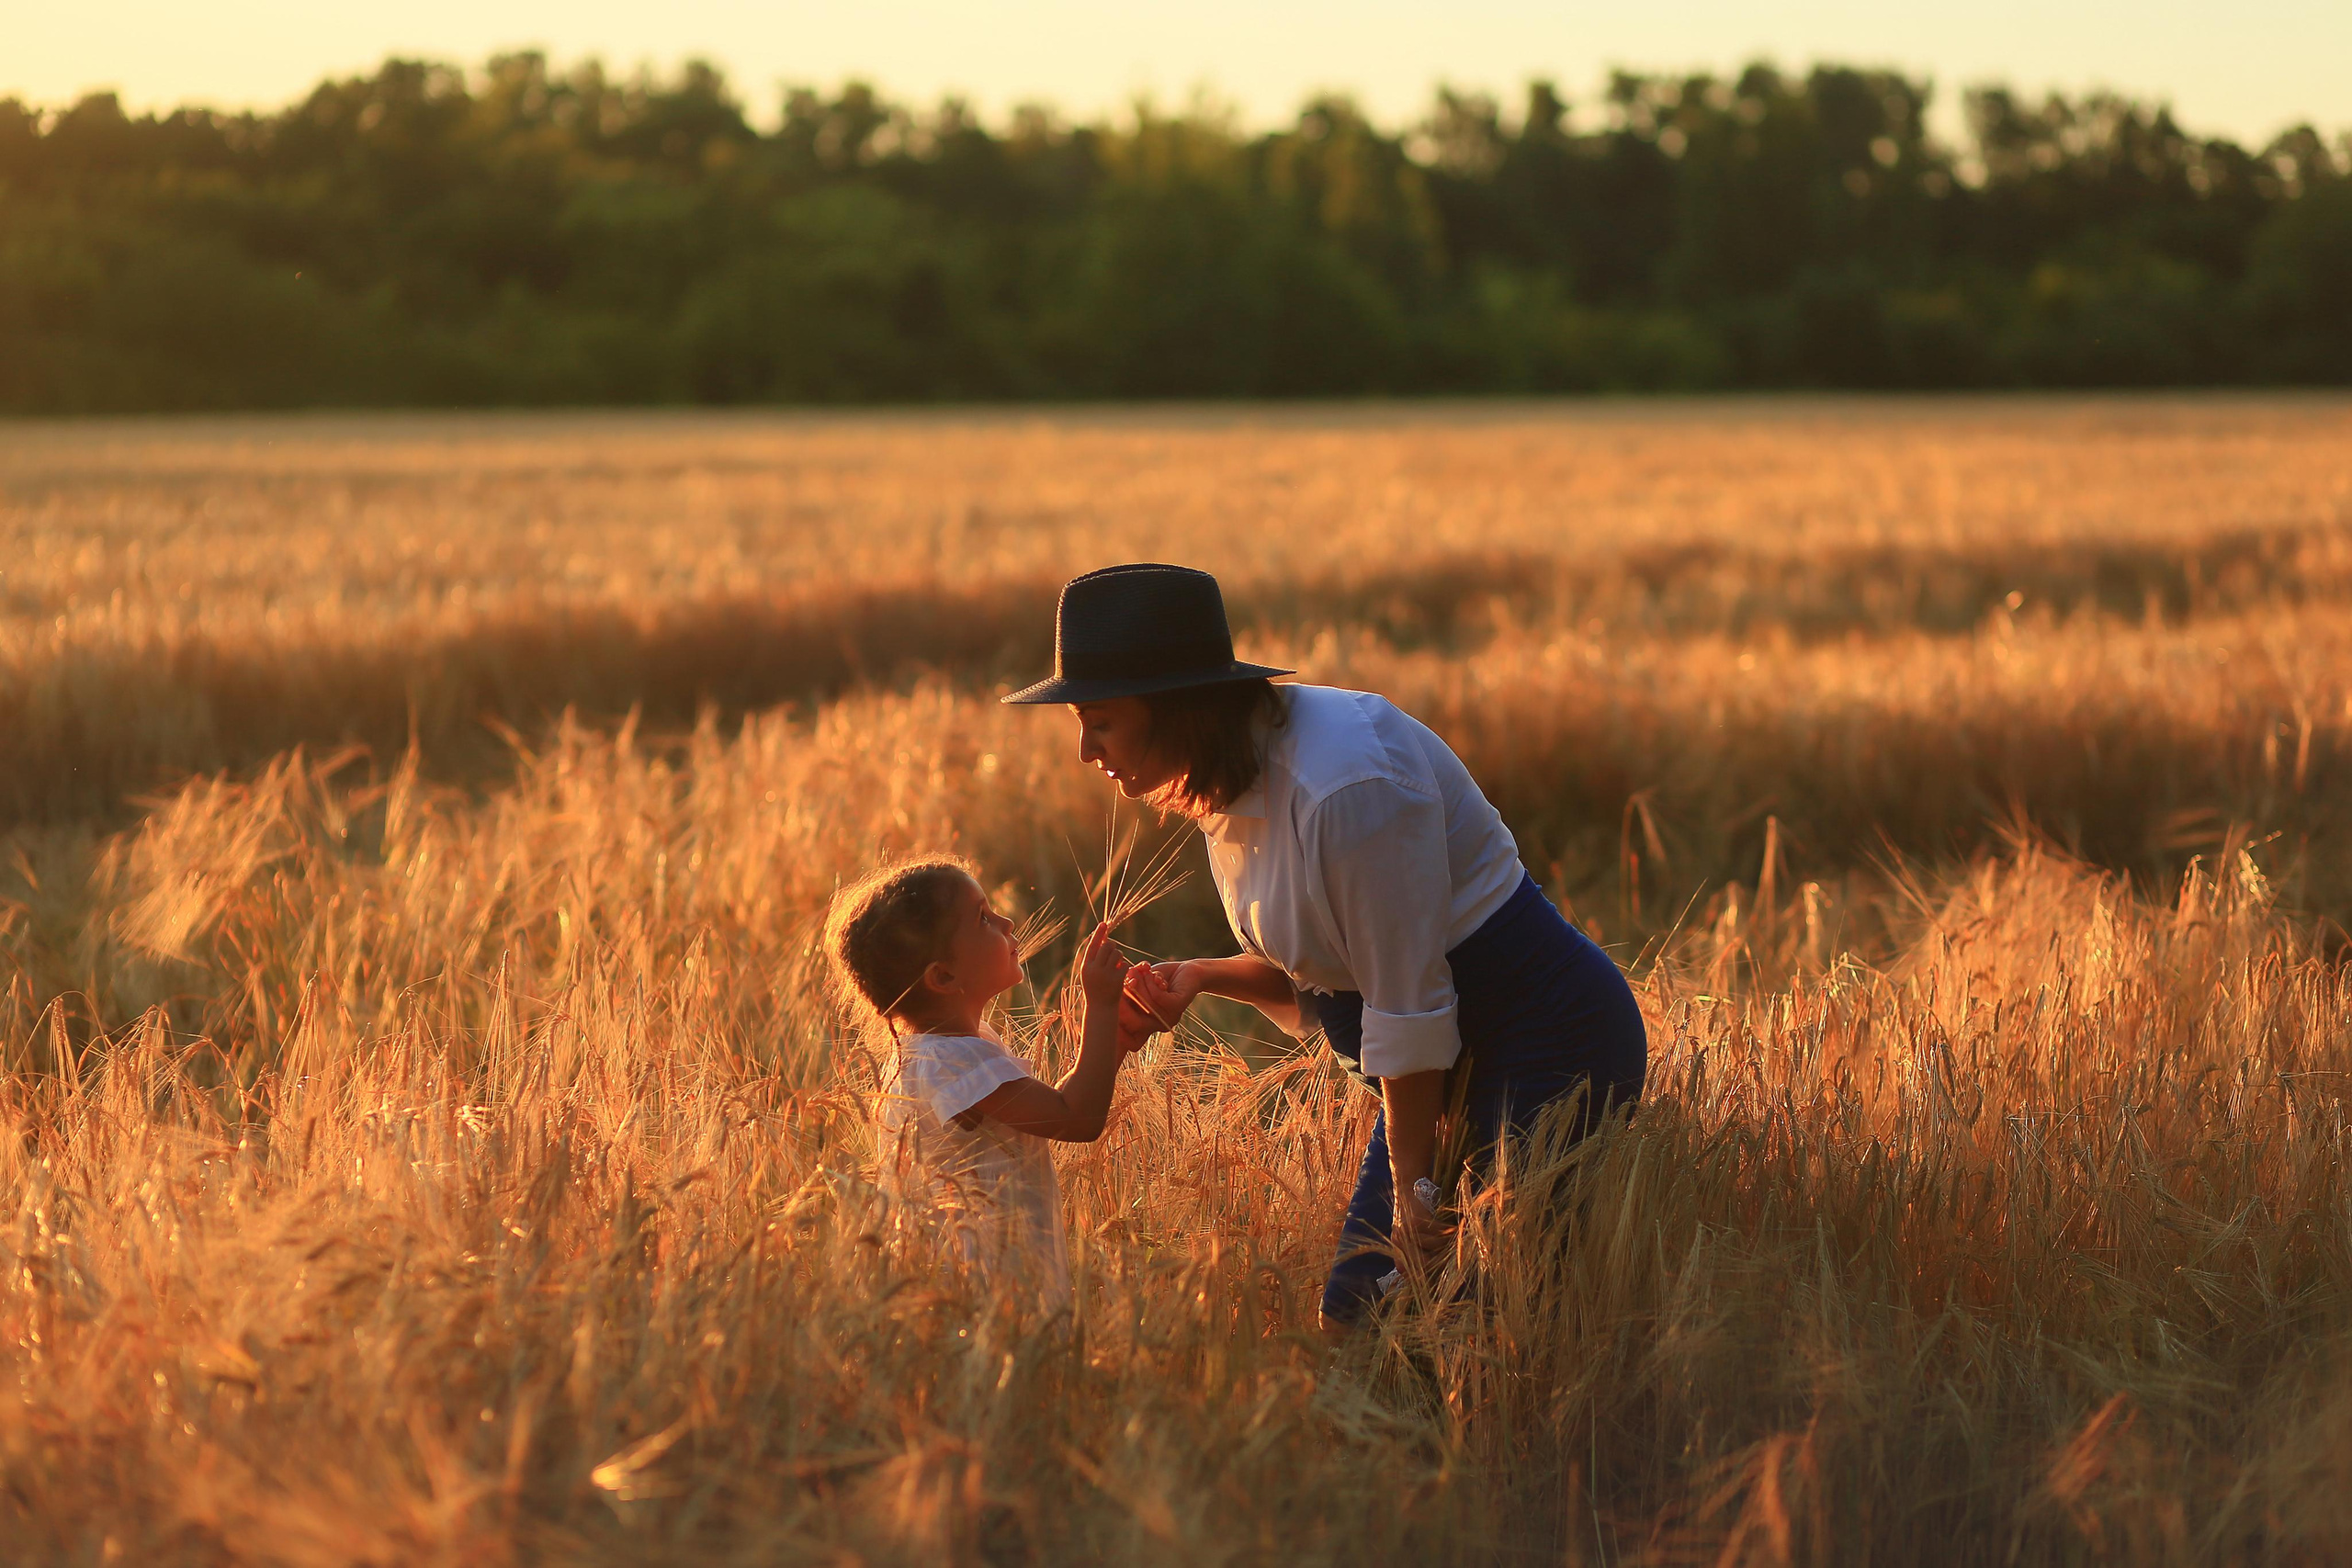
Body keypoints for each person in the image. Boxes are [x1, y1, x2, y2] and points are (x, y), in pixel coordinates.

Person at [1004, 563, 1648, 1330]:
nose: (1084, 749)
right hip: (1435, 1073)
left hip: (1549, 1049)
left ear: (1172, 707)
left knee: (1478, 1323)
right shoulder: (1226, 776)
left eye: (1100, 720)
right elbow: (1329, 972)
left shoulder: (1348, 786)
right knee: (1354, 1321)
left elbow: (1409, 1003)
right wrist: (1201, 976)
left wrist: (1416, 1193)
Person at [824, 856, 1144, 1310]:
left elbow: (1064, 1104)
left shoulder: (951, 1051)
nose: (1007, 921)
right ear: (943, 976)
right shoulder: (951, 1063)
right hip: (989, 1297)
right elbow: (1078, 1118)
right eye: (983, 919)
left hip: (988, 1290)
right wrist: (1102, 1007)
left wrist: (1115, 1040)